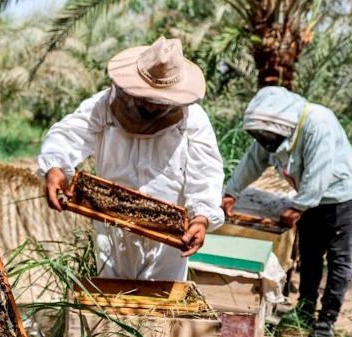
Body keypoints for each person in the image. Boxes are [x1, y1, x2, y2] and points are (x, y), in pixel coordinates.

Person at [38, 37, 225, 280]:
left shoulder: (194, 119)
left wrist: (201, 218)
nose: (150, 107)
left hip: (166, 239)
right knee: (111, 300)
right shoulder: (103, 105)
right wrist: (55, 167)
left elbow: (206, 171)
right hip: (111, 229)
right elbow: (68, 134)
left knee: (160, 308)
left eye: (159, 102)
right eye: (145, 99)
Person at [222, 86, 352, 337]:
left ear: (283, 121)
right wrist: (231, 192)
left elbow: (318, 172)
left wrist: (299, 206)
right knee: (310, 256)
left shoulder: (318, 123)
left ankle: (327, 321)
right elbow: (253, 161)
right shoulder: (272, 135)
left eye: (266, 132)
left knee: (338, 259)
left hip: (343, 197)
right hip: (309, 198)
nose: (264, 137)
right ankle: (304, 310)